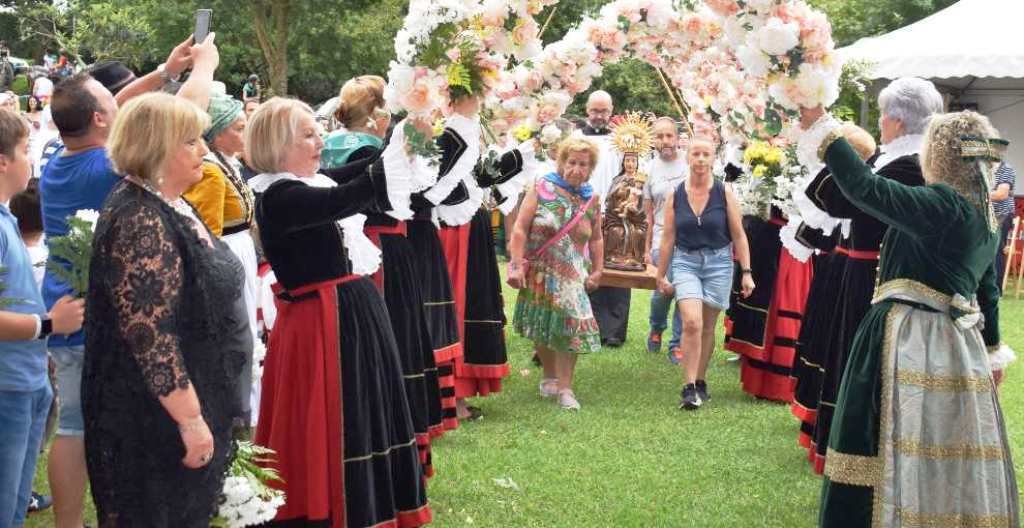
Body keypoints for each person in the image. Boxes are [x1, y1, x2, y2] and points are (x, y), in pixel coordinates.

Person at [800, 105, 1020, 527]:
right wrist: (991, 350)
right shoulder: (982, 215)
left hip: (908, 337)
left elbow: (867, 189)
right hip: (960, 348)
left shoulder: (943, 205)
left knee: (879, 440)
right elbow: (988, 290)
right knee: (942, 447)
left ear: (938, 156)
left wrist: (823, 125)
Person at [41, 36, 219, 528]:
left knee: (72, 427)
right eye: (109, 104)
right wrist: (202, 69)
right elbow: (172, 126)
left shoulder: (59, 158)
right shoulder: (107, 168)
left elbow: (111, 109)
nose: (120, 106)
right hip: (89, 321)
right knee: (78, 428)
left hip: (61, 307)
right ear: (102, 120)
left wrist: (164, 70)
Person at [249, 98, 431, 527]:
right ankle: (335, 507)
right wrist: (402, 140)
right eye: (307, 136)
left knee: (364, 410)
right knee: (339, 417)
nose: (319, 143)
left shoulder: (308, 183)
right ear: (277, 145)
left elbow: (358, 174)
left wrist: (406, 136)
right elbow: (353, 194)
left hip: (347, 314)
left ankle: (369, 504)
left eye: (318, 132)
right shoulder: (280, 195)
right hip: (322, 323)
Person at [83, 92, 246, 526]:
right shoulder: (140, 219)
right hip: (152, 417)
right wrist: (191, 421)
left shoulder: (169, 199)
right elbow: (151, 338)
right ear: (157, 147)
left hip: (188, 394)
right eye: (191, 141)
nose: (205, 150)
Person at [793, 78, 938, 474]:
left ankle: (865, 457)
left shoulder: (911, 165)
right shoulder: (894, 157)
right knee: (846, 361)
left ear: (894, 120)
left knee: (866, 368)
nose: (880, 125)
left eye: (883, 117)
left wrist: (826, 140)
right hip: (858, 270)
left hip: (877, 276)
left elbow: (843, 200)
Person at [318, 74, 444, 471]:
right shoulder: (374, 150)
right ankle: (395, 426)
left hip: (346, 246)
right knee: (394, 334)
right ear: (376, 115)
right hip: (382, 246)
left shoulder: (326, 146)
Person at [0, 108, 84, 528]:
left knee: (15, 506)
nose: (29, 160)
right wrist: (48, 324)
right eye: (23, 150)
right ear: (3, 161)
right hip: (6, 386)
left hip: (26, 379)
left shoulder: (7, 218)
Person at [786, 124, 877, 471]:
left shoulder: (865, 181)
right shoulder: (850, 183)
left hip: (847, 272)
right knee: (821, 342)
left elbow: (822, 204)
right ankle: (814, 419)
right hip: (837, 268)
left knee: (829, 346)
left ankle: (822, 425)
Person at [655, 136, 753, 410]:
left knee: (708, 327)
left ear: (713, 159)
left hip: (719, 263)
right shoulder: (675, 194)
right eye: (695, 154)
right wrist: (660, 274)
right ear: (688, 158)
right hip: (685, 262)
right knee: (692, 323)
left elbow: (739, 236)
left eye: (705, 154)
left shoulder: (725, 193)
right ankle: (687, 388)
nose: (700, 159)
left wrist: (746, 272)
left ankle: (700, 380)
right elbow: (667, 238)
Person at [182, 93, 259, 428]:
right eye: (238, 128)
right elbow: (208, 229)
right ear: (218, 133)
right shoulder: (212, 172)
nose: (244, 135)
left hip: (241, 245)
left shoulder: (228, 164)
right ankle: (237, 409)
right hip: (228, 248)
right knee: (236, 330)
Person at [510, 137, 604, 410]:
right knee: (544, 322)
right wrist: (516, 264)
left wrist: (598, 270)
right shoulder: (542, 187)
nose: (576, 168)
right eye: (571, 162)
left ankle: (565, 388)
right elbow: (519, 228)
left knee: (572, 322)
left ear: (590, 168)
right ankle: (550, 376)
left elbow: (596, 238)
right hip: (540, 271)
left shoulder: (592, 199)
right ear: (561, 162)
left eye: (583, 164)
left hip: (573, 274)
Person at [582, 90, 629, 347]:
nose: (599, 116)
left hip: (614, 212)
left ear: (611, 111)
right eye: (594, 110)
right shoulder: (576, 138)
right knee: (586, 269)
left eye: (604, 111)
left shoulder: (621, 142)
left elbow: (629, 174)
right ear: (587, 110)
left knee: (616, 269)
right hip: (582, 210)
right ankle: (587, 323)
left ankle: (614, 330)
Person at [643, 117, 688, 359]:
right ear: (653, 140)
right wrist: (646, 247)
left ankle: (677, 344)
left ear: (677, 137)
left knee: (684, 290)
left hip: (689, 239)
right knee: (663, 290)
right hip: (661, 237)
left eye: (669, 135)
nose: (665, 141)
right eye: (659, 136)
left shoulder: (690, 163)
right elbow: (647, 215)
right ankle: (656, 327)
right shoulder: (648, 169)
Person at [991, 161, 1016, 290]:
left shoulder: (1005, 169)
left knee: (996, 251)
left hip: (1002, 215)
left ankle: (995, 288)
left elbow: (1002, 194)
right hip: (985, 215)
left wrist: (977, 196)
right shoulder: (983, 168)